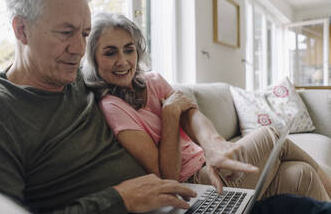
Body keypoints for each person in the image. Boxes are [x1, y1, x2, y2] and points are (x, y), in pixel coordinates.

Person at [0, 0, 259, 213]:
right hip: (135, 205)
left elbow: (173, 100)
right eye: (65, 32)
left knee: (295, 202)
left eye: (85, 34)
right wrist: (119, 200)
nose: (79, 49)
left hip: (176, 200)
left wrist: (212, 140)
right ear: (21, 30)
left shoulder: (85, 79)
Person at [82, 12, 331, 202]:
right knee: (272, 134)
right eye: (110, 53)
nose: (123, 61)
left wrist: (214, 145)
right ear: (93, 58)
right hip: (194, 185)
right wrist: (170, 114)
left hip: (211, 165)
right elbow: (165, 178)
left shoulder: (154, 81)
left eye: (129, 50)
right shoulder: (112, 107)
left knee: (301, 174)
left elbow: (192, 114)